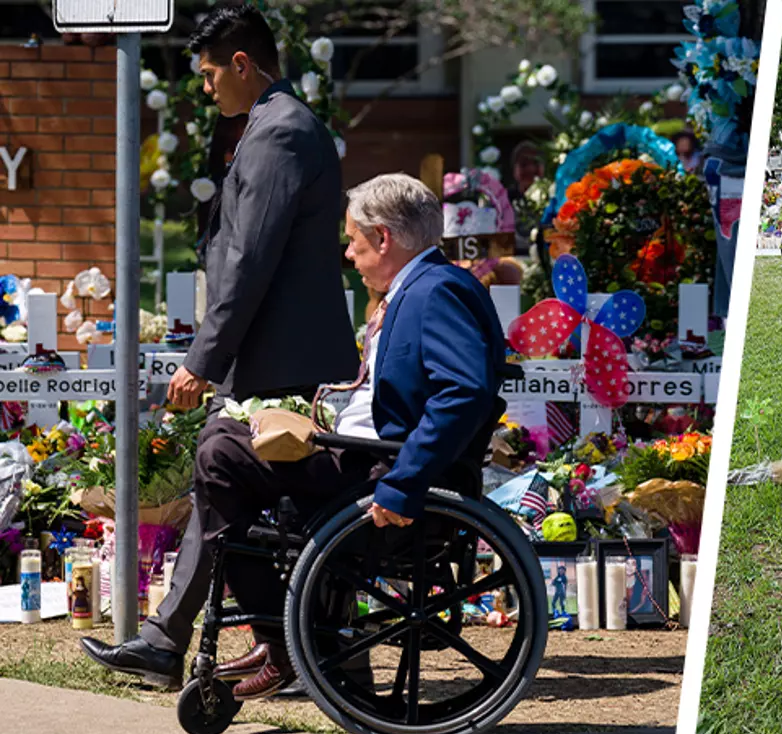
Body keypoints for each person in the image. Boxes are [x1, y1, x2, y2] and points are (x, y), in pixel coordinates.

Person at [85, 174, 507, 699]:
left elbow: (463, 392)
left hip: (381, 474)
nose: (348, 254)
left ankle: (283, 641)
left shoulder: (438, 291)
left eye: (353, 240)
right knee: (228, 444)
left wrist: (405, 481)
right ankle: (296, 641)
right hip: (362, 459)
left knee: (220, 452)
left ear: (383, 238)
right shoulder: (419, 290)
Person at [81, 3, 358, 691]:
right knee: (233, 496)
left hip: (280, 360)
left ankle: (181, 640)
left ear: (242, 64)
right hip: (283, 353)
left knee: (226, 484)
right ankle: (190, 640)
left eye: (209, 75)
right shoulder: (278, 126)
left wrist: (203, 361)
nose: (206, 89)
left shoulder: (279, 132)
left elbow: (249, 259)